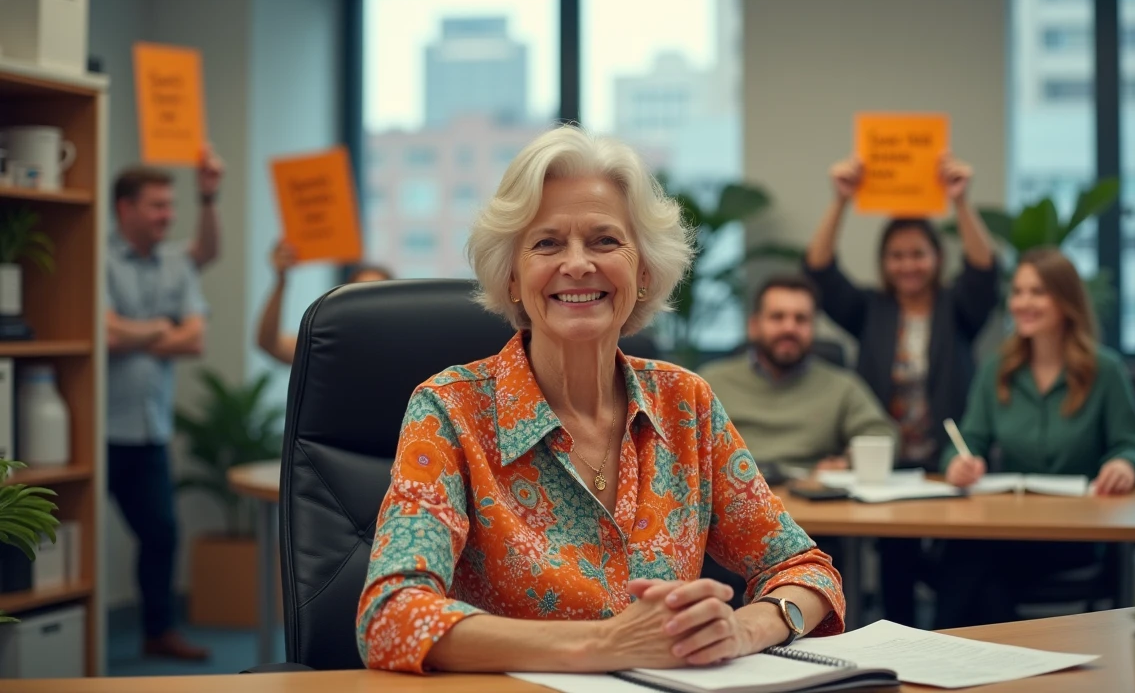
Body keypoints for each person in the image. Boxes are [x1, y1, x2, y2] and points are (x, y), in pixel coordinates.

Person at [357, 126, 845, 674]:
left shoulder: (686, 404)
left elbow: (807, 570)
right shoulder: (450, 411)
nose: (578, 264)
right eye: (546, 243)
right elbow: (391, 617)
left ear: (642, 272)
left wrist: (741, 629)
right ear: (513, 276)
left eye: (605, 240)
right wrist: (605, 646)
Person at [805, 153, 998, 627]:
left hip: (949, 465)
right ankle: (899, 647)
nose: (908, 264)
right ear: (884, 263)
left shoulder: (958, 309)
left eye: (918, 254)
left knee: (961, 567)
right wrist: (840, 201)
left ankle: (948, 641)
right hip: (887, 467)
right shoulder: (871, 309)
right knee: (896, 565)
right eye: (897, 255)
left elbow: (984, 272)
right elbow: (820, 270)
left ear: (936, 259)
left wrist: (961, 202)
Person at [936, 247, 1135, 628]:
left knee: (971, 563)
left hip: (1075, 533)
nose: (1022, 303)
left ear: (1066, 301)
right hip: (1010, 528)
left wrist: (1123, 464)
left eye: (1037, 292)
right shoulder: (997, 370)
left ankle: (932, 652)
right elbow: (967, 439)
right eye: (1017, 292)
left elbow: (1130, 443)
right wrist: (958, 462)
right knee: (977, 566)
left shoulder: (1106, 370)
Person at [106, 167, 210, 660]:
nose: (168, 215)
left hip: (149, 428)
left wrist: (137, 332)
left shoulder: (176, 264)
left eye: (170, 205)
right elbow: (103, 334)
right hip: (97, 428)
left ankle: (156, 630)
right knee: (61, 532)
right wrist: (164, 327)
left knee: (161, 533)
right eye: (157, 205)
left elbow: (195, 339)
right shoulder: (97, 257)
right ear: (125, 207)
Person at [700, 274, 895, 473]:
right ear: (754, 326)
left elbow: (883, 436)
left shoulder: (842, 386)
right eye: (777, 317)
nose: (789, 328)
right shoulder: (711, 383)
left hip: (813, 494)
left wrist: (847, 462)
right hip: (732, 493)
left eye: (801, 319)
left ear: (814, 328)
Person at [255, 240, 391, 365]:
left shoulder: (403, 347)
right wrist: (281, 280)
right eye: (361, 294)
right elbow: (270, 343)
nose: (369, 304)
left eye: (376, 294)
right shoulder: (329, 348)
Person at [188, 146, 225, 271]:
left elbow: (208, 251)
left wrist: (208, 195)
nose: (168, 215)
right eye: (157, 206)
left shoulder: (173, 257)